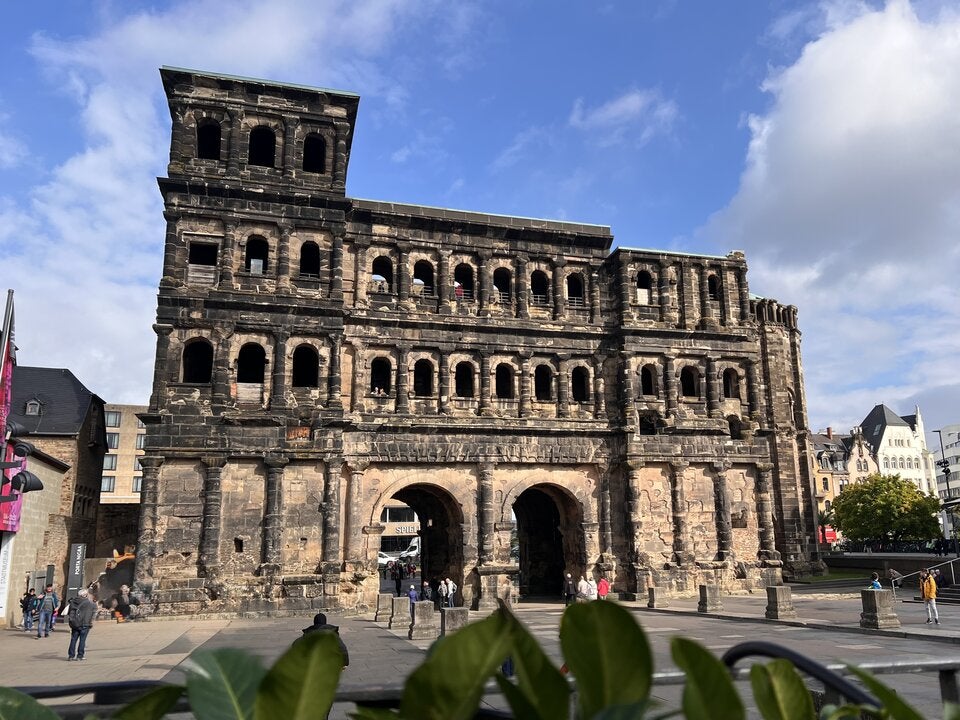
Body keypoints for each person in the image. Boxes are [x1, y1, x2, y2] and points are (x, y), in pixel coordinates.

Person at [66, 588, 97, 661]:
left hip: (75, 623)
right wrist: (91, 621)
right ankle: (80, 656)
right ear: (85, 595)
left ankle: (71, 656)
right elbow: (94, 612)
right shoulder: (90, 603)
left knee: (73, 640)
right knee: (82, 640)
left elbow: (69, 612)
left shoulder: (73, 602)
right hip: (85, 624)